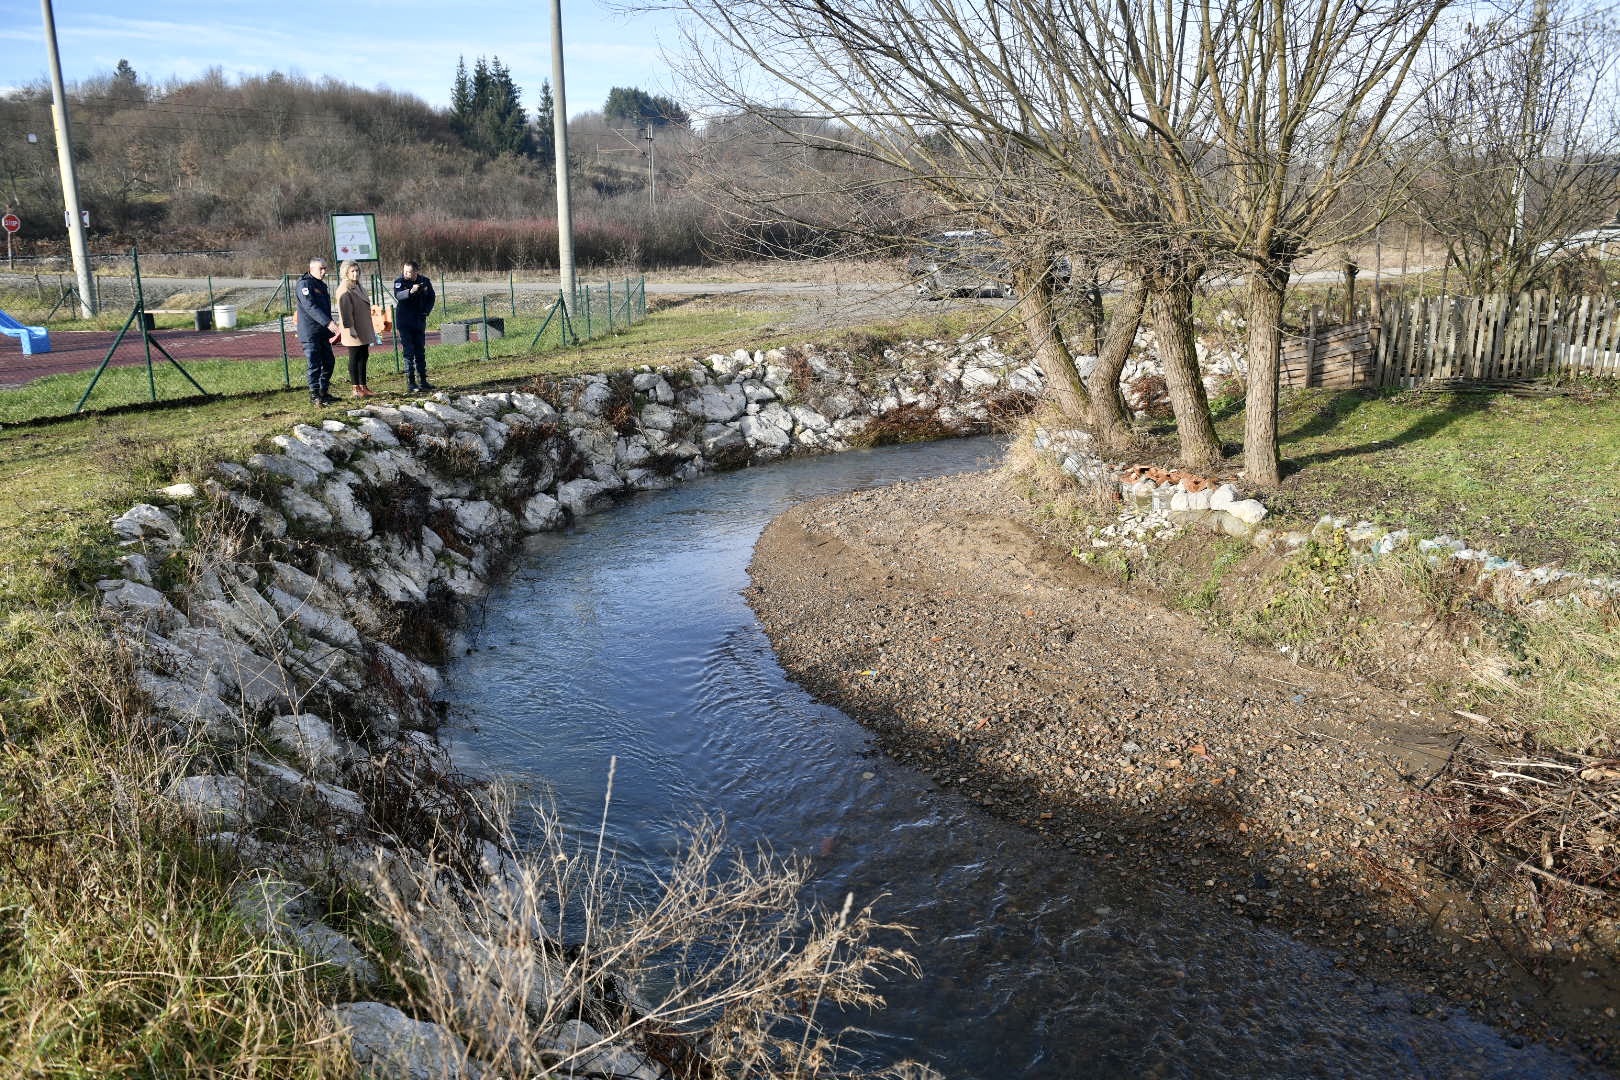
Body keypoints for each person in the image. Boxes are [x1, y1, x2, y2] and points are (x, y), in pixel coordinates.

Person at [294, 257, 339, 404]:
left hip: (322, 332)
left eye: (325, 268)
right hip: (310, 332)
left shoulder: (321, 285)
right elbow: (310, 306)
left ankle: (323, 391)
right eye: (321, 268)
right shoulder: (304, 284)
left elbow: (325, 308)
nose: (324, 271)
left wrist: (330, 324)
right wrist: (328, 322)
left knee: (329, 362)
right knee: (314, 363)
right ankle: (314, 394)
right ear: (311, 268)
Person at [392, 260, 437, 392]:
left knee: (420, 351)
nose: (406, 274)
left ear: (416, 272)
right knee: (408, 351)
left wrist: (426, 311)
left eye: (409, 272)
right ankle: (411, 382)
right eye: (405, 271)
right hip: (404, 321)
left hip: (419, 320)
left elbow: (431, 297)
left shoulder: (425, 281)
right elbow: (398, 295)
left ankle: (423, 380)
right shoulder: (400, 281)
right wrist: (411, 291)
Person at [335, 260, 377, 398]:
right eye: (352, 271)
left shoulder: (358, 286)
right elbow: (345, 311)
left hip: (363, 326)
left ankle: (363, 386)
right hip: (353, 328)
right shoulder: (344, 289)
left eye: (357, 271)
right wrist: (350, 328)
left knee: (364, 356)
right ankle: (355, 387)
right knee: (354, 356)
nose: (355, 274)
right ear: (346, 273)